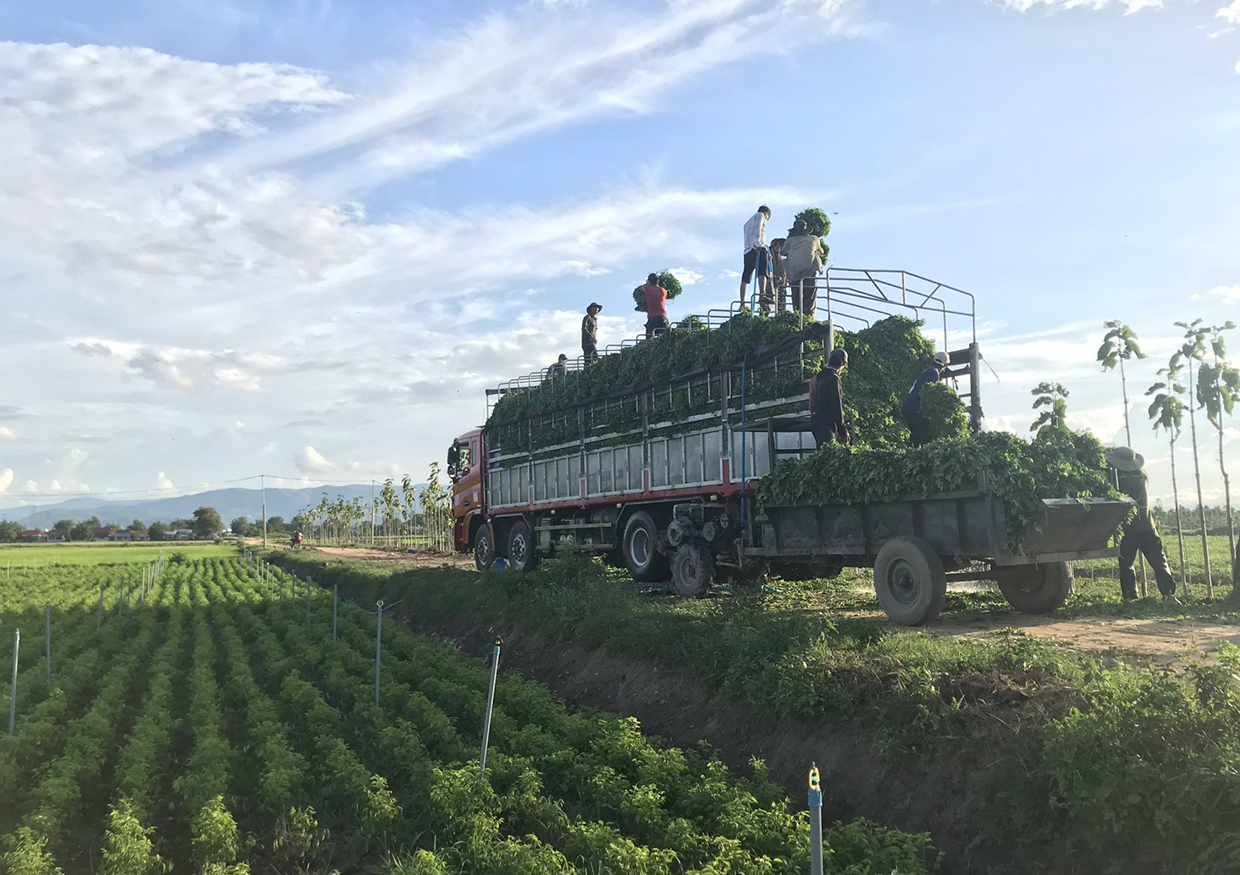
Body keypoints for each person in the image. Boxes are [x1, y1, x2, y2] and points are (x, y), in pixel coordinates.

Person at [1107, 447, 1178, 602]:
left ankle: (1130, 597)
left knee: (1126, 564)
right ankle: (1169, 594)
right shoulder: (1142, 475)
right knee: (1159, 562)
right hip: (1148, 527)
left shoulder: (1117, 479)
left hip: (1128, 529)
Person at [903, 351, 951, 447]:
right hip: (914, 408)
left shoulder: (929, 371)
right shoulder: (933, 373)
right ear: (945, 365)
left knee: (917, 436)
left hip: (909, 407)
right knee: (924, 437)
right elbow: (926, 393)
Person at [783, 219, 824, 318]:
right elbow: (822, 251)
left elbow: (783, 252)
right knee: (809, 298)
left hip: (794, 274)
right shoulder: (814, 239)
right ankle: (808, 317)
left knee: (796, 298)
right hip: (809, 273)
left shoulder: (790, 241)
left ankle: (798, 317)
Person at [810, 348, 850, 447]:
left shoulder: (817, 378)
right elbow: (836, 405)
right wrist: (843, 430)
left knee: (822, 451)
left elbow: (811, 403)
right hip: (826, 423)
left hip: (816, 420)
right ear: (843, 364)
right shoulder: (833, 378)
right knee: (828, 454)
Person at [740, 205, 771, 308]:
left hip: (747, 251)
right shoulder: (761, 215)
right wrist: (759, 245)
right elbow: (758, 230)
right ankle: (762, 294)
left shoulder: (746, 223)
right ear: (766, 214)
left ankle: (742, 303)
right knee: (763, 271)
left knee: (745, 276)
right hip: (757, 248)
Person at [642, 273, 670, 338]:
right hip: (663, 318)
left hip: (653, 319)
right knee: (666, 339)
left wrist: (647, 283)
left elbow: (642, 287)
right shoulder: (664, 291)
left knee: (649, 342)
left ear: (649, 281)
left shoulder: (648, 289)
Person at [766, 238, 788, 314]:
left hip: (781, 286)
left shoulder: (783, 260)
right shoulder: (767, 258)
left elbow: (785, 273)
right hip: (769, 285)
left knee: (782, 308)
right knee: (766, 308)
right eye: (776, 244)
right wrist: (775, 277)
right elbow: (766, 271)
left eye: (780, 245)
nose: (778, 246)